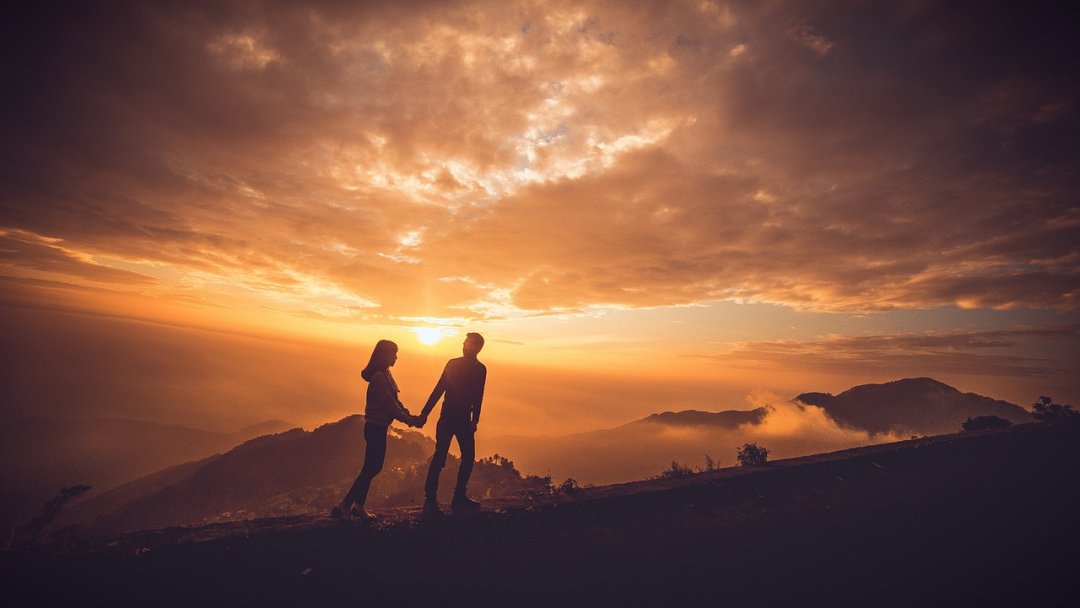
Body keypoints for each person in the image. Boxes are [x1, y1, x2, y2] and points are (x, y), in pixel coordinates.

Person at [333, 339, 420, 521]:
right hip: (375, 428)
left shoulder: (385, 374)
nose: (396, 357)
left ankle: (357, 506)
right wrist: (410, 420)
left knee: (371, 467)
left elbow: (395, 402)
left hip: (378, 427)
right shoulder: (380, 377)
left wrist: (410, 416)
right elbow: (391, 406)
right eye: (394, 353)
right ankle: (347, 504)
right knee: (372, 467)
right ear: (384, 355)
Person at [418, 332, 487, 515]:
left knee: (468, 457)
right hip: (447, 418)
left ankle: (459, 497)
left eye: (469, 344)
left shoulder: (481, 369)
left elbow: (479, 396)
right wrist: (425, 413)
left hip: (464, 420)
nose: (465, 345)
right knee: (439, 458)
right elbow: (439, 389)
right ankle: (430, 500)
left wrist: (475, 420)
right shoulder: (453, 364)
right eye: (465, 342)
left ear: (478, 348)